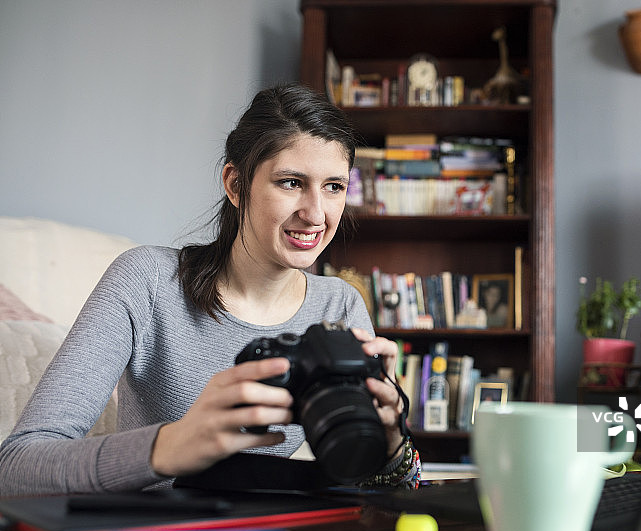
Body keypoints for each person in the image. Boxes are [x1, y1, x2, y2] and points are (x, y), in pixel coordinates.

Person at [0, 83, 421, 498]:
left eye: (334, 186)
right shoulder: (147, 280)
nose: (315, 214)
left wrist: (389, 445)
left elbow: (378, 494)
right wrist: (174, 444)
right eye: (291, 182)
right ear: (236, 185)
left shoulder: (339, 305)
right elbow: (17, 466)